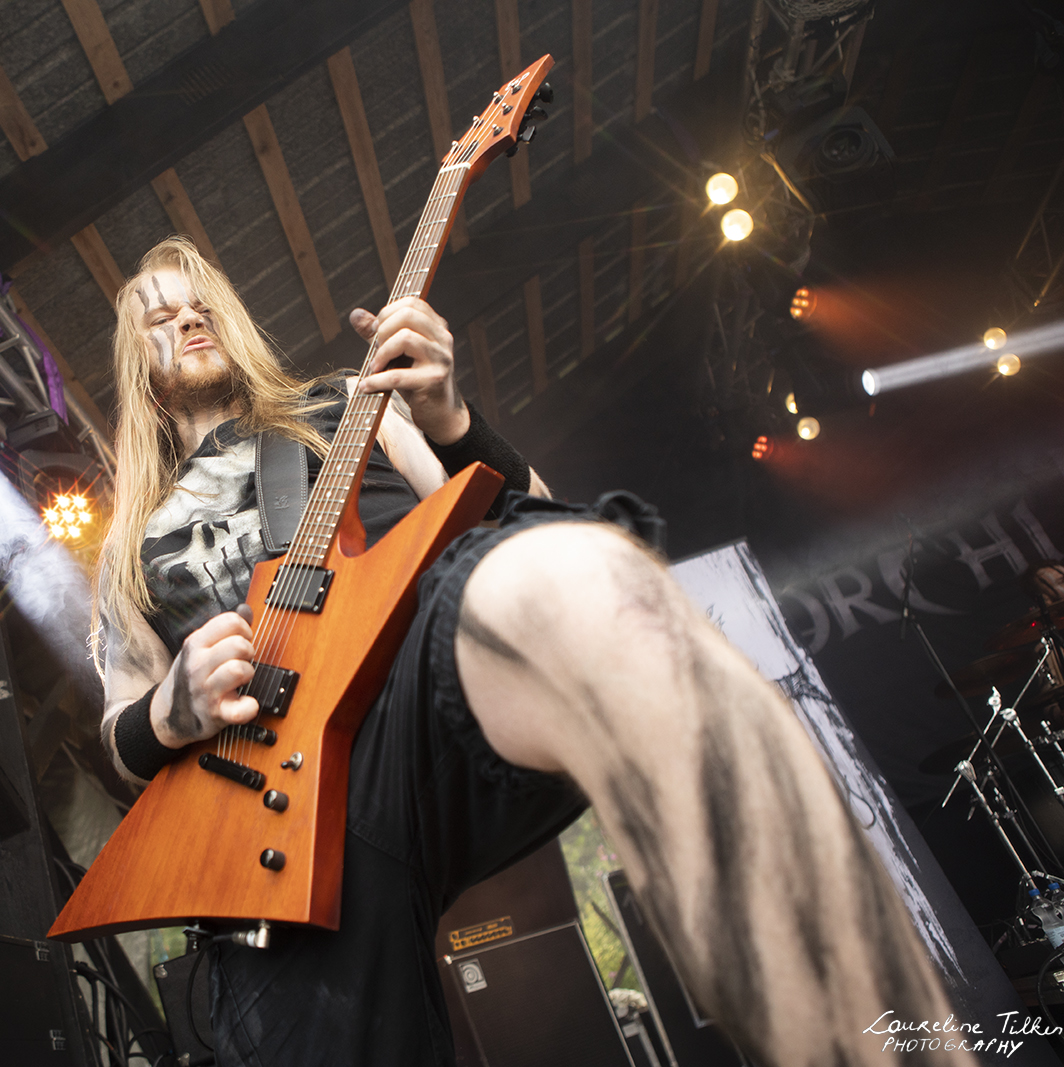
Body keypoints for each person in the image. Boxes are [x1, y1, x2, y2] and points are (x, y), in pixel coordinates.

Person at [90, 236, 973, 1066]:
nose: (188, 317)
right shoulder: (129, 546)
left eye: (201, 302)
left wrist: (450, 416)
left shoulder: (347, 405)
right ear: (138, 364)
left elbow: (540, 518)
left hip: (416, 707)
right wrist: (170, 709)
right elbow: (118, 736)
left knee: (585, 573)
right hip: (266, 833)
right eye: (161, 315)